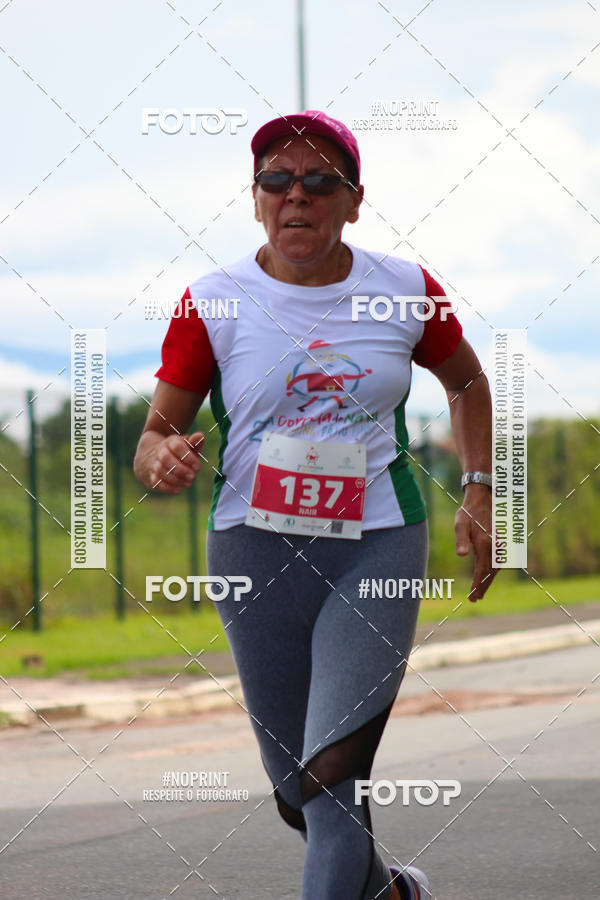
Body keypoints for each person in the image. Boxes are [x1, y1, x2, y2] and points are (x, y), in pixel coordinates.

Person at [134, 110, 496, 899]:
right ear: (257, 197)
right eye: (278, 180)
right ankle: (393, 892)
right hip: (251, 553)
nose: (297, 195)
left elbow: (467, 381)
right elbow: (156, 434)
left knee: (334, 769)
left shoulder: (402, 288)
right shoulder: (215, 299)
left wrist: (479, 488)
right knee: (299, 789)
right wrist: (161, 457)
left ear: (354, 201)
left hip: (378, 544)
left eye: (319, 180)